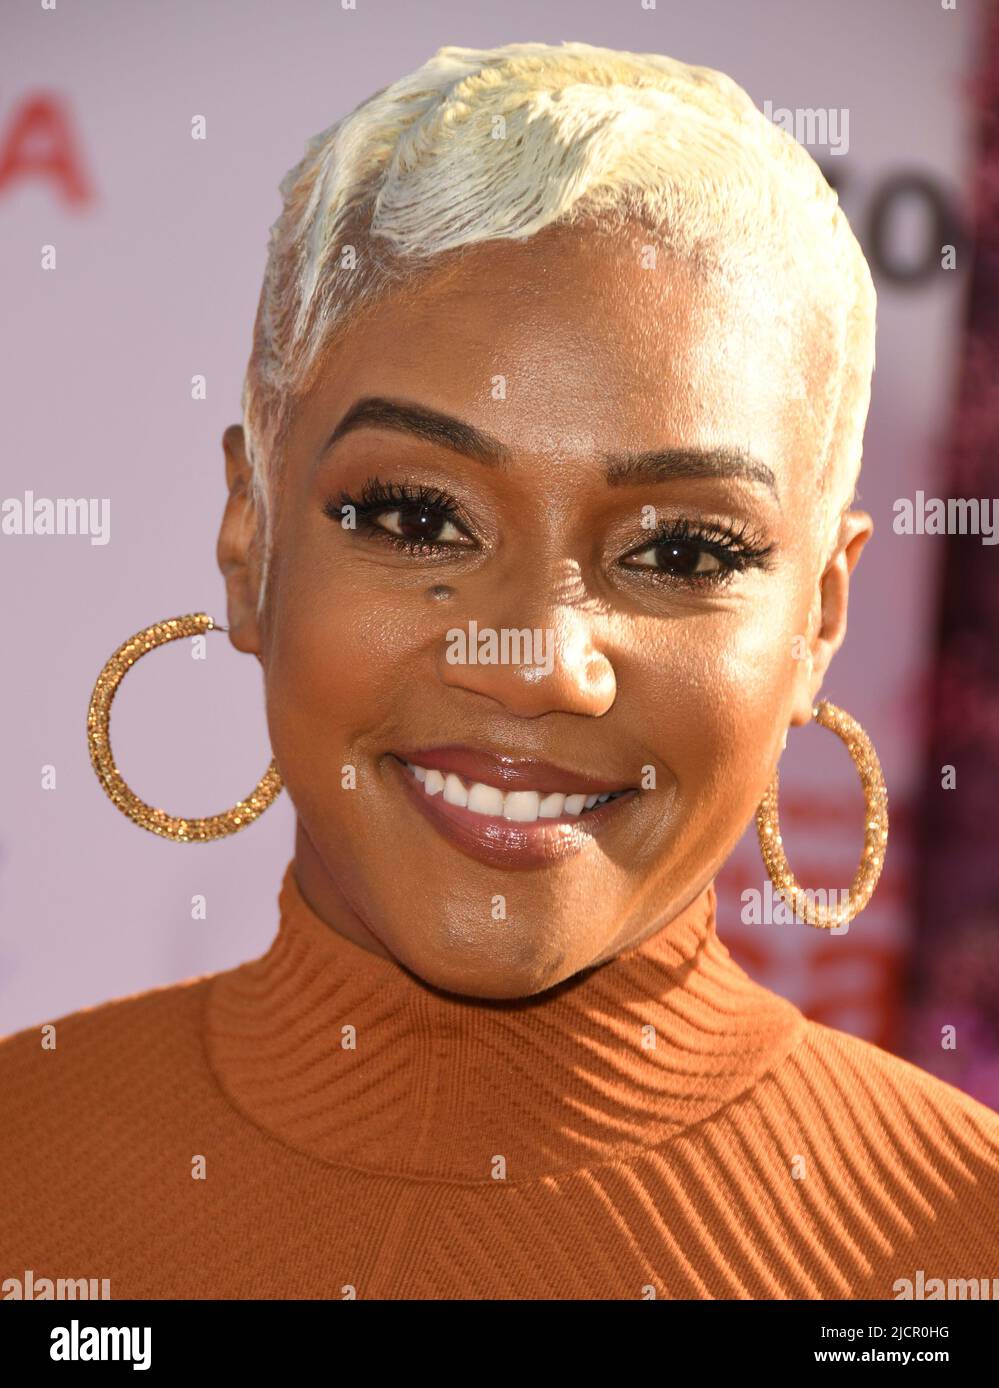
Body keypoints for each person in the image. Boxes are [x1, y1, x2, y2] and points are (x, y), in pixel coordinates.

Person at [2, 40, 996, 1301]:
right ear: (249, 538)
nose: (534, 664)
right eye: (418, 518)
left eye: (682, 548)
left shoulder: (960, 1253)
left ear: (818, 623)